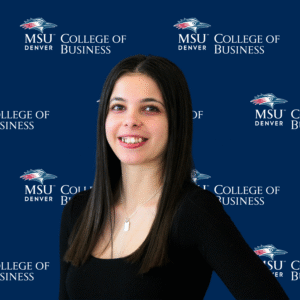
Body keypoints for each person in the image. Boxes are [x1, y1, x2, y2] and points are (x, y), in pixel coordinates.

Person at [59, 54, 288, 299]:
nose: (130, 121)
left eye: (150, 108)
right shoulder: (78, 211)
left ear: (175, 121)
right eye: (118, 107)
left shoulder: (192, 211)